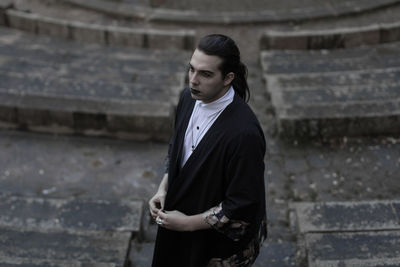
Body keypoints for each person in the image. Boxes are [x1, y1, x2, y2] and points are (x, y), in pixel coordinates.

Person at [149, 34, 267, 267]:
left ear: (228, 78)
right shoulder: (187, 98)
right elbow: (177, 147)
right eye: (191, 69)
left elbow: (242, 204)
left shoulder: (245, 134)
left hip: (216, 248)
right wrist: (163, 188)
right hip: (177, 229)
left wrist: (187, 223)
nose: (193, 80)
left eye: (205, 74)